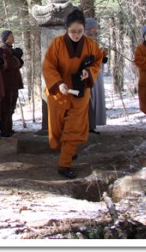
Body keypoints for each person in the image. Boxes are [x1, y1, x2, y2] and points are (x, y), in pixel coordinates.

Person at [42, 9, 104, 179]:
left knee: (73, 129)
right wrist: (58, 82)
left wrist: (89, 72)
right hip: (59, 93)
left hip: (80, 92)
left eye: (79, 31)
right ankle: (68, 149)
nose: (76, 35)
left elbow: (97, 61)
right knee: (58, 130)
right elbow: (48, 66)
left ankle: (64, 164)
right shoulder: (57, 44)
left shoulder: (91, 45)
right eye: (72, 32)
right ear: (66, 30)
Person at [0, 30, 24, 138]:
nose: (13, 38)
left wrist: (18, 58)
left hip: (13, 83)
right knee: (6, 107)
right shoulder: (1, 50)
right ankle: (4, 129)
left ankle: (9, 128)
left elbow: (17, 65)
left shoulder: (10, 50)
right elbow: (6, 65)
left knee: (11, 107)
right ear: (6, 38)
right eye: (11, 36)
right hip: (6, 83)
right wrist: (16, 58)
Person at [84, 18, 108, 134]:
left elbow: (95, 57)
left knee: (93, 99)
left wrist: (102, 57)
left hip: (94, 74)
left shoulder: (92, 42)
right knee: (88, 100)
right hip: (86, 75)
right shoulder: (81, 42)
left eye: (94, 29)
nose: (92, 31)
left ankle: (91, 125)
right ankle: (87, 125)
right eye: (90, 29)